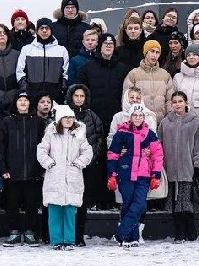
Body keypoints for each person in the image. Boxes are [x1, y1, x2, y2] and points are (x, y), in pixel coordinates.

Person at [37, 104, 93, 250]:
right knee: (54, 211)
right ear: (59, 119)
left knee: (69, 211)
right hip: (54, 177)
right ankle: (56, 241)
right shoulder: (50, 134)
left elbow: (87, 152)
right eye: (65, 118)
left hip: (72, 177)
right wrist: (49, 163)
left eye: (71, 117)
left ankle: (68, 240)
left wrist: (79, 163)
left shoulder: (79, 134)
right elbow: (41, 151)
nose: (68, 120)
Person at [106, 104, 163, 247]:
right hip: (125, 173)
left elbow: (158, 155)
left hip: (143, 175)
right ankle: (131, 238)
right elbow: (113, 154)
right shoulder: (122, 133)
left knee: (140, 204)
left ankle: (121, 232)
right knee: (128, 204)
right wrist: (112, 174)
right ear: (130, 117)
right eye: (135, 115)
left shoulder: (150, 134)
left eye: (140, 115)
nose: (137, 118)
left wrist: (156, 174)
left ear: (144, 117)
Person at [0, 92, 45, 246]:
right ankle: (14, 232)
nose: (23, 103)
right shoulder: (7, 122)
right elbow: (2, 146)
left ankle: (30, 232)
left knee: (32, 204)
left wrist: (41, 168)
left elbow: (43, 146)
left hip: (33, 171)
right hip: (12, 172)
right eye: (20, 100)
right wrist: (3, 167)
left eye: (26, 100)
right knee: (12, 204)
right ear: (15, 103)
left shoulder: (38, 121)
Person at [161, 91, 199, 243]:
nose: (177, 104)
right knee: (174, 202)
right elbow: (159, 144)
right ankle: (179, 232)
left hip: (188, 169)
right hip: (170, 169)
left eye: (180, 101)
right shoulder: (166, 122)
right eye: (174, 102)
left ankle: (190, 230)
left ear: (186, 102)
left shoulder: (194, 121)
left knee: (186, 202)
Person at [67, 84, 106, 243]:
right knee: (68, 201)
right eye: (76, 96)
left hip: (87, 166)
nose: (79, 99)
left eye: (82, 96)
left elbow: (99, 137)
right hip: (68, 166)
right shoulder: (65, 114)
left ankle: (79, 235)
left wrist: (92, 156)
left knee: (82, 201)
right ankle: (68, 234)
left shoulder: (92, 115)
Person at [77, 33, 129, 131]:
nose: (108, 46)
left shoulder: (122, 69)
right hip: (93, 118)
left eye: (111, 44)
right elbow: (80, 90)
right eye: (105, 43)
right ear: (100, 46)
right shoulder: (87, 67)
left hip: (116, 118)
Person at [16, 18, 69, 104]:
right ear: (37, 31)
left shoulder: (61, 50)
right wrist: (26, 90)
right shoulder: (27, 49)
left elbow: (65, 74)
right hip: (32, 95)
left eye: (47, 28)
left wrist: (61, 90)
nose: (44, 31)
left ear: (51, 30)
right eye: (41, 28)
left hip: (55, 96)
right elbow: (20, 72)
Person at [122, 40, 172, 118]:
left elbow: (170, 100)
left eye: (157, 52)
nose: (154, 55)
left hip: (160, 122)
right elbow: (126, 100)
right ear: (145, 53)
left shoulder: (165, 75)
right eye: (152, 51)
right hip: (139, 122)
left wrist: (169, 119)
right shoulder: (133, 74)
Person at [170, 44, 199, 112]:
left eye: (194, 55)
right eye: (188, 55)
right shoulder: (178, 77)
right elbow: (172, 99)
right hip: (181, 117)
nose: (191, 57)